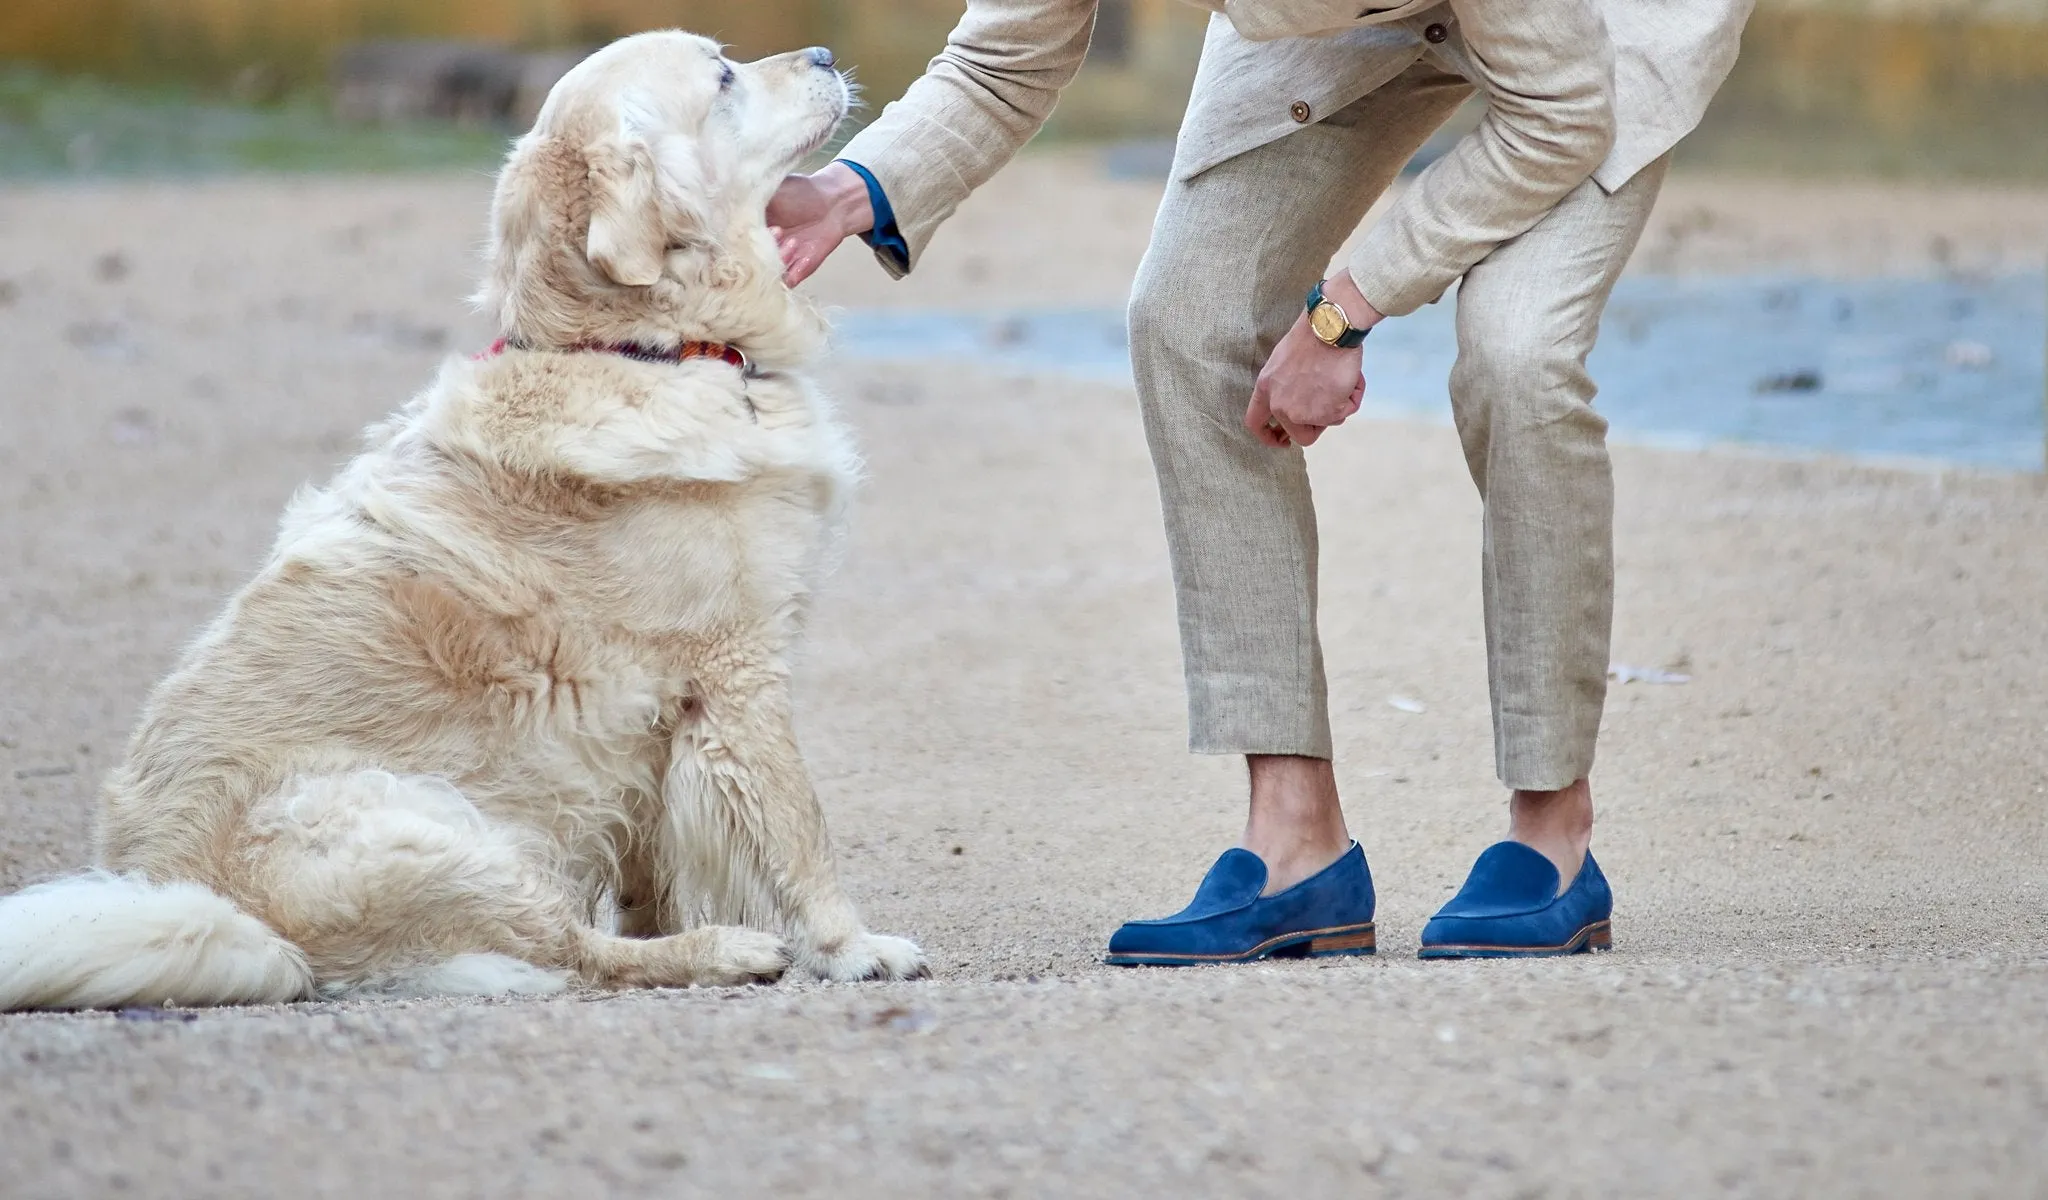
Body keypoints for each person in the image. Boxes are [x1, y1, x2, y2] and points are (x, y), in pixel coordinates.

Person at [769, 0, 1751, 960]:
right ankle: (1294, 846)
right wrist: (850, 190)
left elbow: (1560, 115)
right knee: (1188, 315)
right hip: (1333, 18)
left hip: (1586, 39)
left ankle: (1551, 831)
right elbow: (1001, 56)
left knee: (1514, 352)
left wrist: (1342, 311)